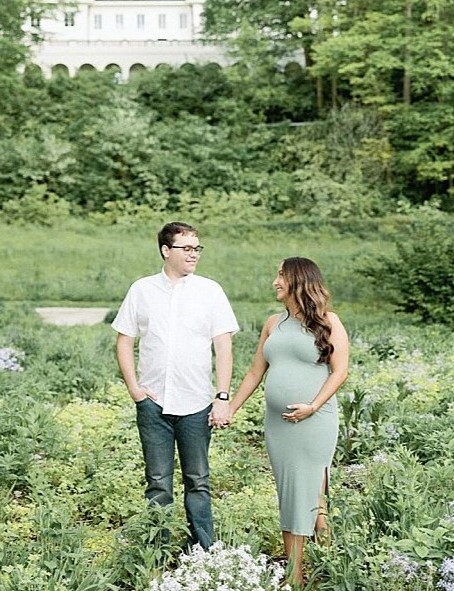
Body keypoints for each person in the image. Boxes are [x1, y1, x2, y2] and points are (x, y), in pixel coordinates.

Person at [112, 222, 239, 550]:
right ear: (166, 251)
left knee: (198, 481)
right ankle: (158, 549)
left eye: (197, 248)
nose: (194, 254)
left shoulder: (210, 291)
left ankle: (204, 551)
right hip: (153, 403)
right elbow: (124, 340)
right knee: (157, 483)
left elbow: (223, 346)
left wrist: (222, 396)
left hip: (197, 403)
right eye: (187, 248)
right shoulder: (142, 290)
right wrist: (135, 390)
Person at [226, 257, 349, 587]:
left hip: (314, 422)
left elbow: (340, 371)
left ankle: (296, 576)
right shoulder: (272, 323)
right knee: (294, 493)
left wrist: (312, 406)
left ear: (298, 280)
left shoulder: (329, 322)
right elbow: (255, 372)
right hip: (278, 426)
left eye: (280, 275)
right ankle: (323, 558)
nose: (275, 281)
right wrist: (230, 409)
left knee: (302, 492)